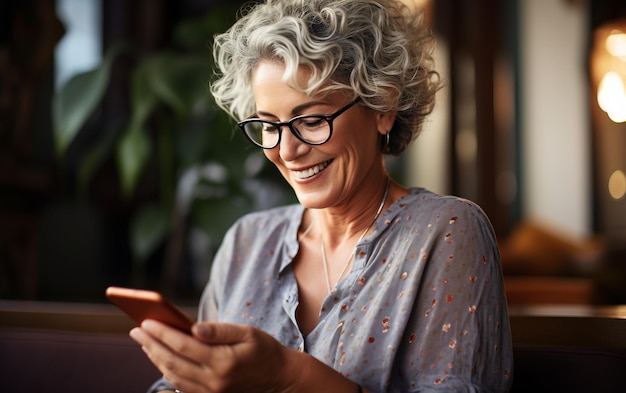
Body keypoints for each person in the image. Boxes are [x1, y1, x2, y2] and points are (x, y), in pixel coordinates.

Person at [129, 0, 514, 392]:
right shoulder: (247, 242)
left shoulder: (445, 232)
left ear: (383, 105)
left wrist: (289, 375)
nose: (288, 150)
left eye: (312, 120)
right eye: (268, 125)